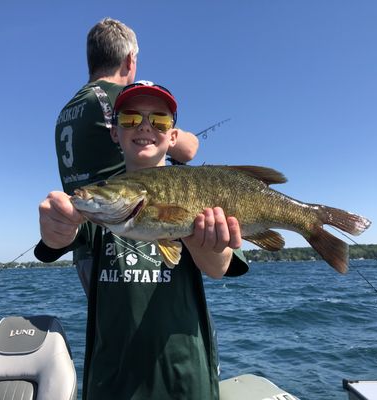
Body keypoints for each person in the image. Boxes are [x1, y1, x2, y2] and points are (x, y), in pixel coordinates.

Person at [36, 81, 248, 399]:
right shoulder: (99, 208)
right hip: (112, 384)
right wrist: (56, 227)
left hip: (185, 380)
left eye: (159, 121)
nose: (145, 126)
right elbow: (60, 240)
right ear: (114, 132)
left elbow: (219, 268)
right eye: (131, 119)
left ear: (172, 136)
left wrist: (201, 236)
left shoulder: (200, 190)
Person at [55, 18, 199, 294]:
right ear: (130, 60)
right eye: (132, 118)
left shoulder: (68, 108)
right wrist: (167, 129)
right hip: (128, 237)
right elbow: (189, 150)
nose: (140, 122)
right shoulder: (115, 97)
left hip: (87, 245)